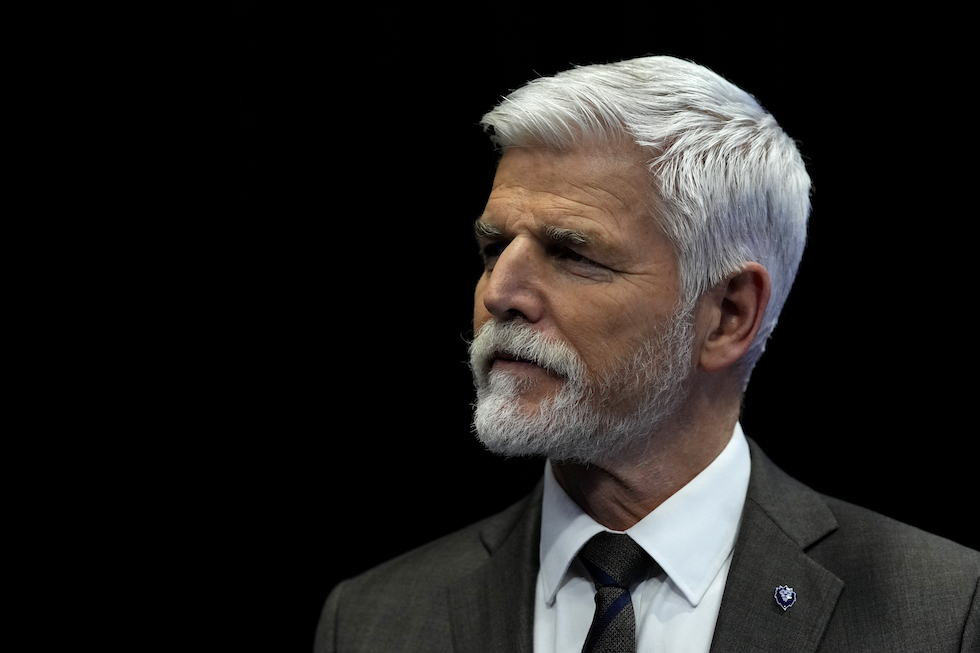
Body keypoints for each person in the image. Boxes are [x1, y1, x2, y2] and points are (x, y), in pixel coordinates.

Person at [314, 56, 979, 652]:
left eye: (571, 253)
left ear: (728, 315)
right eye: (493, 249)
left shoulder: (944, 612)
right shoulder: (372, 621)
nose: (499, 294)